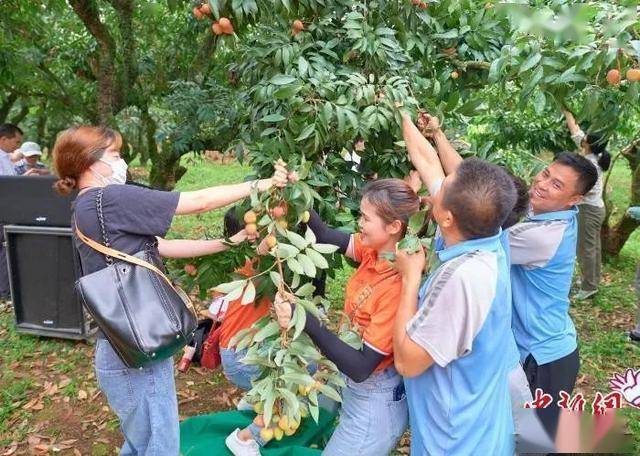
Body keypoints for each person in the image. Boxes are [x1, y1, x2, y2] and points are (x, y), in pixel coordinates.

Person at [52, 125, 288, 455]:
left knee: (141, 443)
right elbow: (198, 202)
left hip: (122, 346)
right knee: (159, 446)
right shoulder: (110, 198)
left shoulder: (85, 207)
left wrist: (227, 242)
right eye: (116, 155)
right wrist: (261, 184)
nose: (122, 163)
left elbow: (162, 246)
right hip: (138, 353)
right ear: (91, 161)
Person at [227, 179, 418, 456]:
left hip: (374, 398)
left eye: (365, 218)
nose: (359, 223)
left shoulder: (395, 285)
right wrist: (294, 197)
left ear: (393, 227)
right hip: (347, 380)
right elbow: (326, 235)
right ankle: (254, 434)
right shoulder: (377, 251)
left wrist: (302, 318)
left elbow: (362, 367)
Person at [391, 112, 516, 455]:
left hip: (455, 439)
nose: (438, 184)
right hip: (483, 421)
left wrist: (410, 277)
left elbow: (408, 361)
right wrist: (400, 109)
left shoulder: (463, 279)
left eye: (444, 187)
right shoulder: (491, 235)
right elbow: (429, 162)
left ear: (446, 217)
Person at [563, 109, 611, 300]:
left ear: (588, 144)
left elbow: (589, 189)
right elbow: (575, 130)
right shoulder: (592, 152)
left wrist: (569, 193)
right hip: (596, 208)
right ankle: (591, 280)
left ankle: (589, 286)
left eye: (585, 138)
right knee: (593, 247)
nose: (582, 139)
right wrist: (565, 108)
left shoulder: (590, 163)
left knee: (586, 248)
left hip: (589, 210)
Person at [0, 123, 23, 299]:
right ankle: (4, 293)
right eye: (16, 141)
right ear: (4, 139)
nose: (17, 146)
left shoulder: (7, 158)